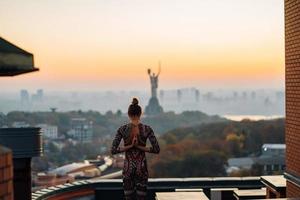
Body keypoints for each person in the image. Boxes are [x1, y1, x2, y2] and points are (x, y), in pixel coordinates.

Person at [111, 97, 160, 200]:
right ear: (140, 113)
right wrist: (139, 146)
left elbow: (113, 150)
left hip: (128, 168)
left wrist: (130, 146)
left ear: (129, 114)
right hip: (142, 168)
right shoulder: (147, 129)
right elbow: (156, 149)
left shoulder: (122, 129)